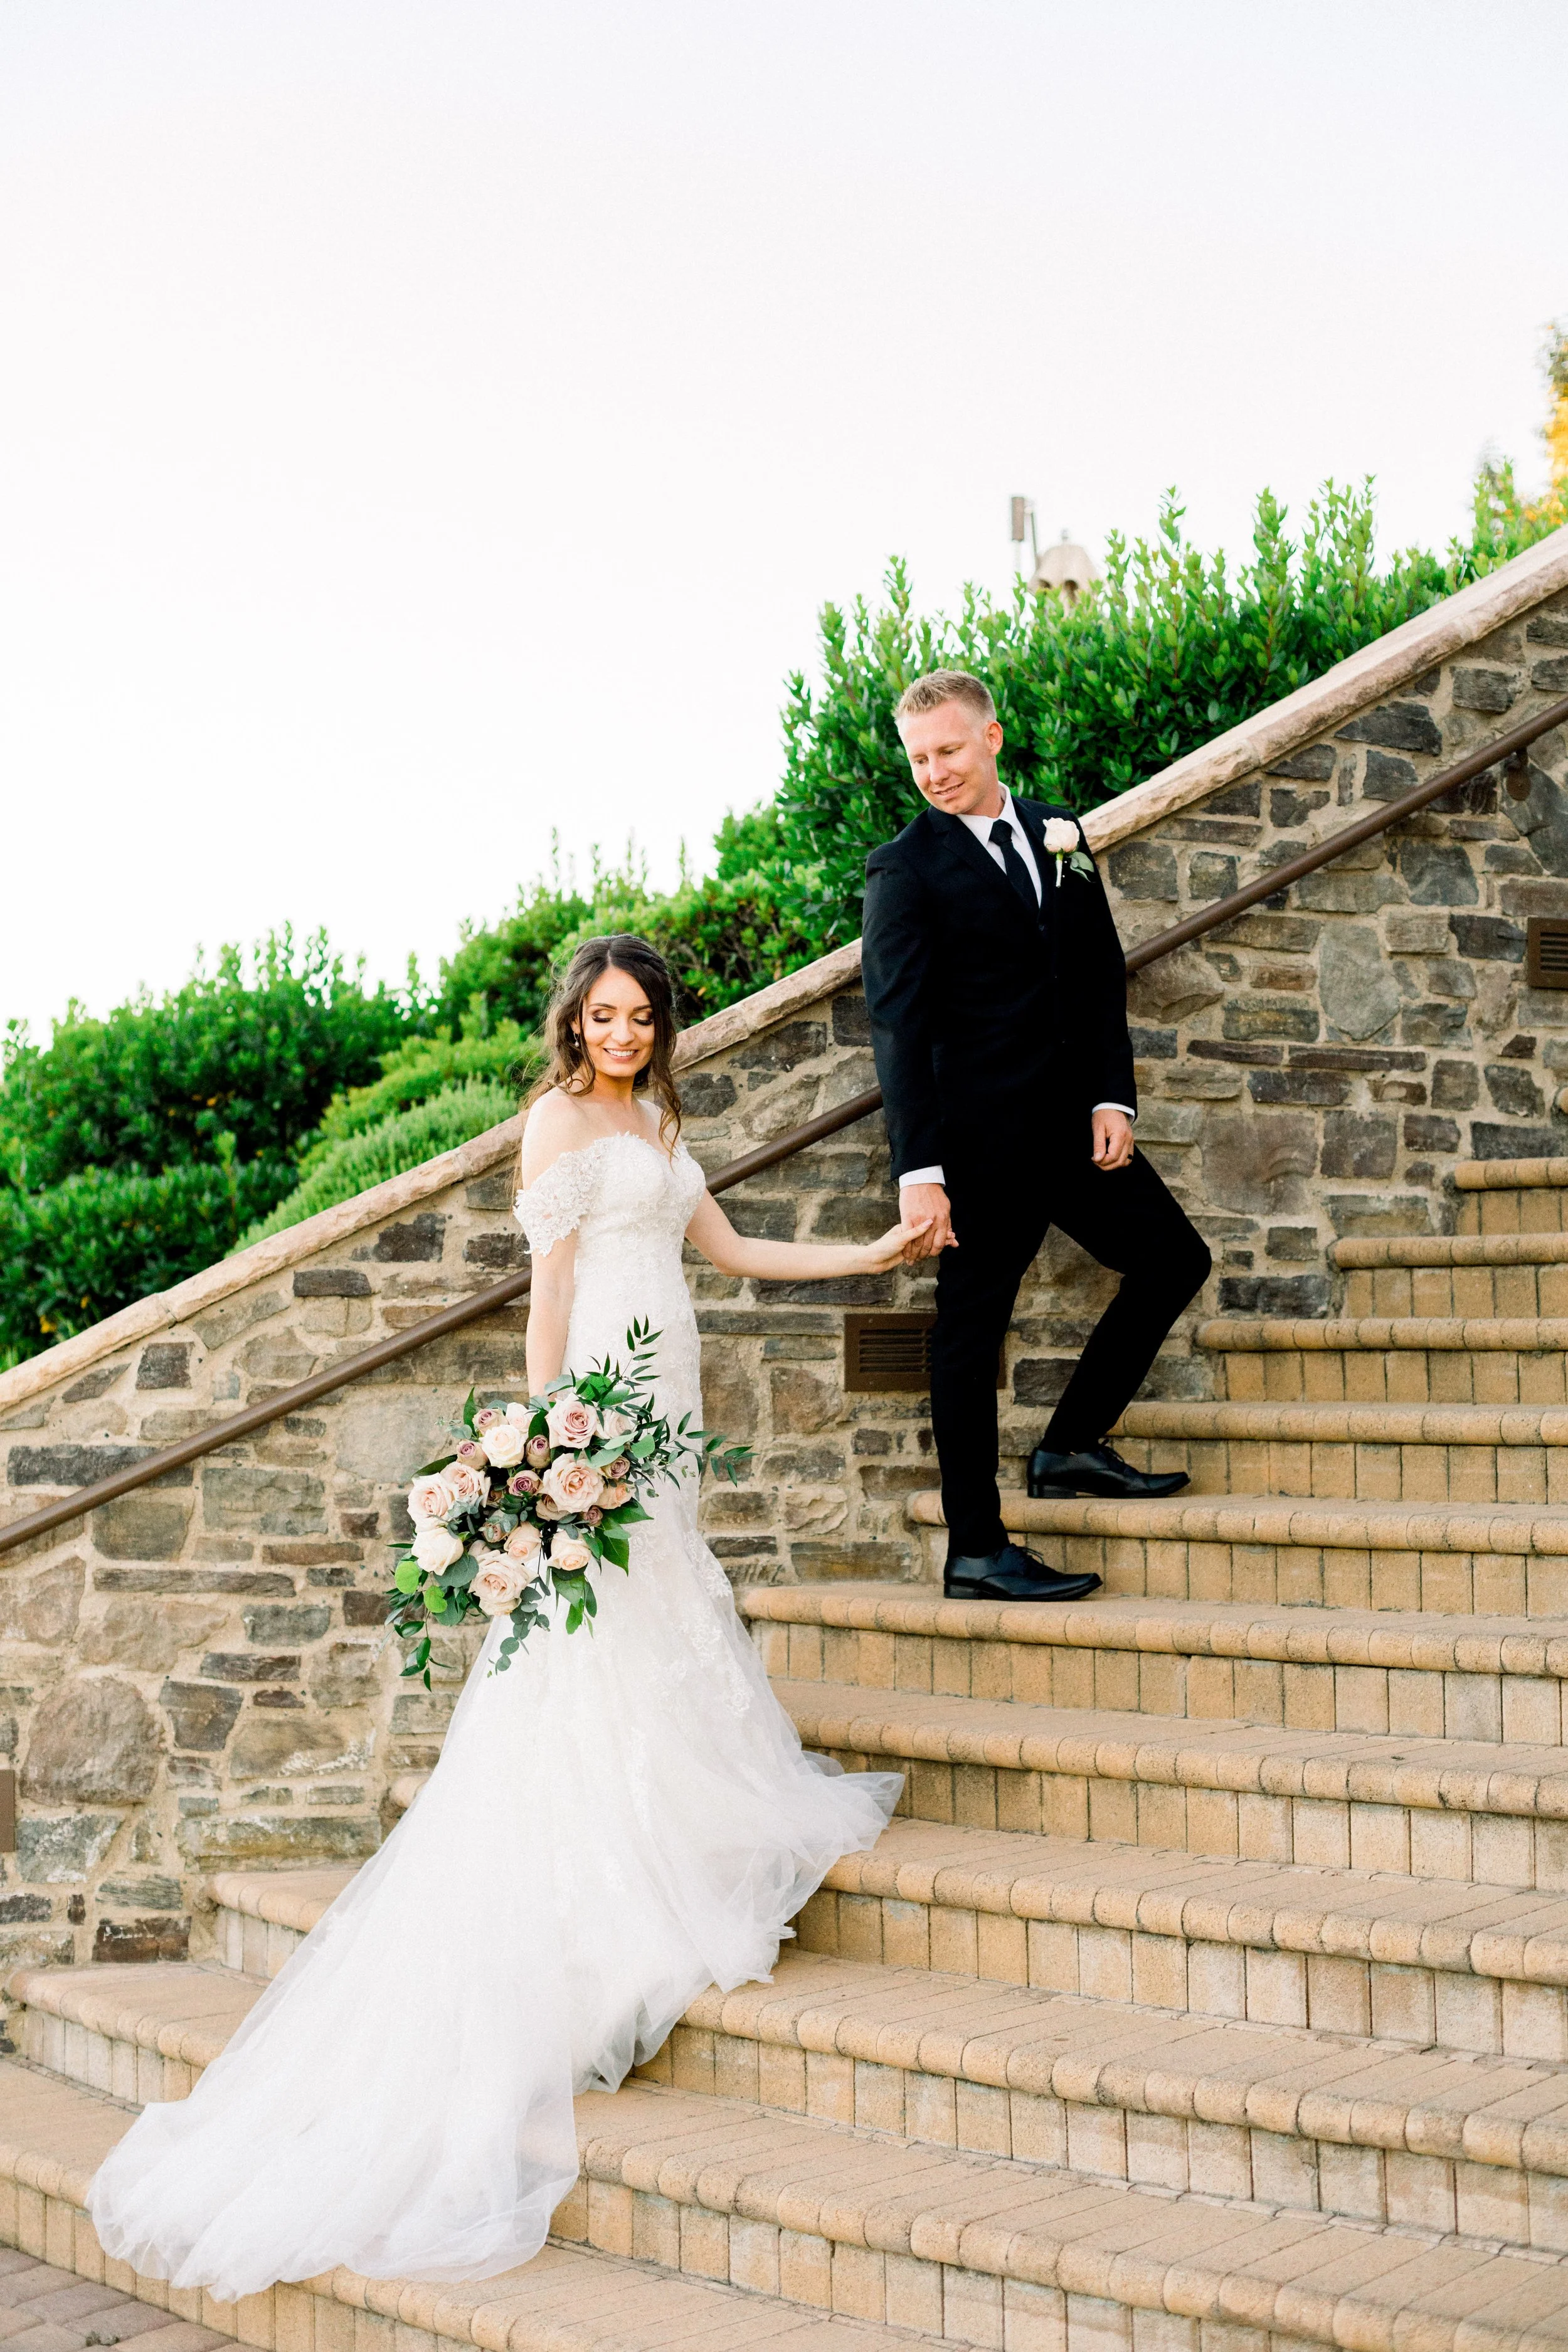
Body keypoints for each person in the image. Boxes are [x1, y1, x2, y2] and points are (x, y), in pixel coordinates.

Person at [87, 933, 914, 2302]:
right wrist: (542, 1457)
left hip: (670, 1397)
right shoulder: (550, 1123)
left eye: (640, 1017)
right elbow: (550, 1296)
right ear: (570, 1024)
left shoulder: (658, 1117)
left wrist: (866, 1250)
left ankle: (667, 1832)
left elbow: (729, 1251)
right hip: (598, 1398)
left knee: (664, 1624)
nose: (621, 1036)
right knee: (587, 1652)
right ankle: (600, 1893)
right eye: (600, 1017)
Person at [861, 669, 1213, 1606]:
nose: (932, 770)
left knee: (1175, 1259)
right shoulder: (906, 868)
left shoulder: (1062, 830)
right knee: (967, 1337)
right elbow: (897, 1025)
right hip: (976, 1148)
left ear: (992, 737)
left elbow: (1097, 973)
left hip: (1073, 1129)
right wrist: (919, 1173)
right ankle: (975, 1547)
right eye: (918, 756)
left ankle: (1068, 1445)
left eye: (947, 749)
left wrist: (1113, 1097)